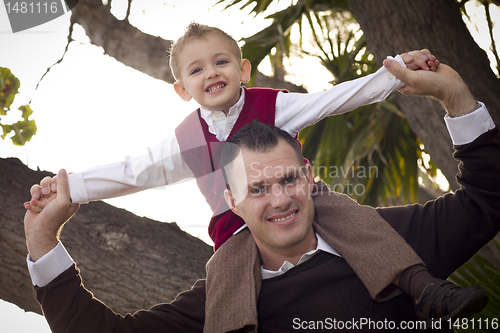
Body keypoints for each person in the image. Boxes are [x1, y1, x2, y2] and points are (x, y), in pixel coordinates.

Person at [25, 60, 499, 332]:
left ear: (309, 175)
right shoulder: (222, 301)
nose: (279, 200)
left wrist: (455, 96)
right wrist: (44, 242)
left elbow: (487, 202)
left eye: (288, 180)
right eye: (257, 189)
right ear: (231, 201)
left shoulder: (393, 239)